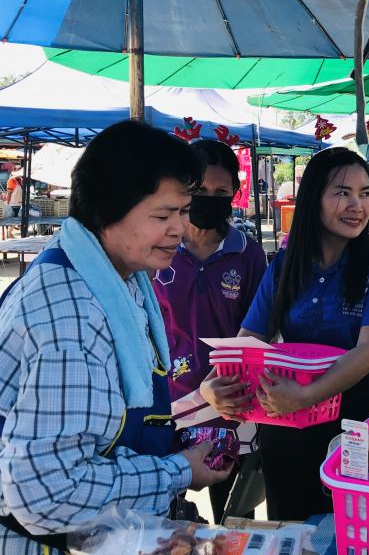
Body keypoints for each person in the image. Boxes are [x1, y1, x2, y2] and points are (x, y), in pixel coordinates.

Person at [0, 121, 230, 554]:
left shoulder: (115, 279)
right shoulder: (68, 316)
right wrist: (177, 471)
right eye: (163, 215)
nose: (179, 229)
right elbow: (48, 493)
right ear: (107, 211)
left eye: (183, 211)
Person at [200, 147, 369, 520]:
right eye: (342, 192)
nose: (357, 205)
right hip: (285, 428)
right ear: (313, 199)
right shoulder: (284, 265)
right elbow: (249, 339)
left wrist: (308, 395)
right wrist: (210, 388)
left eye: (364, 193)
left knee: (356, 530)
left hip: (358, 427)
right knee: (291, 531)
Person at [153, 139, 267, 524]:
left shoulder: (249, 255)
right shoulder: (159, 249)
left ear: (236, 192)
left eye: (221, 192)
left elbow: (262, 332)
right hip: (168, 408)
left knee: (236, 522)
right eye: (200, 191)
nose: (210, 199)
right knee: (162, 524)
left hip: (231, 409)